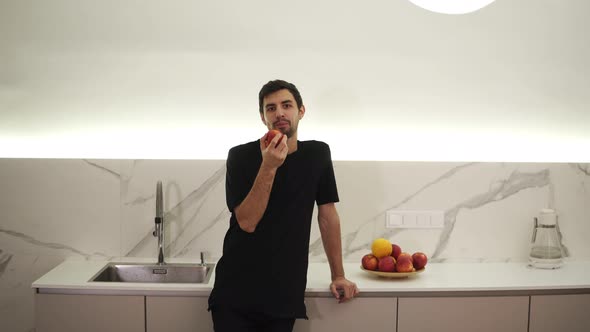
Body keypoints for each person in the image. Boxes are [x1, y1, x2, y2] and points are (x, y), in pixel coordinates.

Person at [208, 79, 359, 331]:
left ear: (301, 111)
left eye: (286, 105)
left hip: (284, 291)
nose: (279, 112)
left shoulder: (317, 154)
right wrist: (268, 166)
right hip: (236, 290)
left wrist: (338, 275)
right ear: (262, 116)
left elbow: (327, 215)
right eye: (270, 108)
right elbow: (246, 222)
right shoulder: (241, 156)